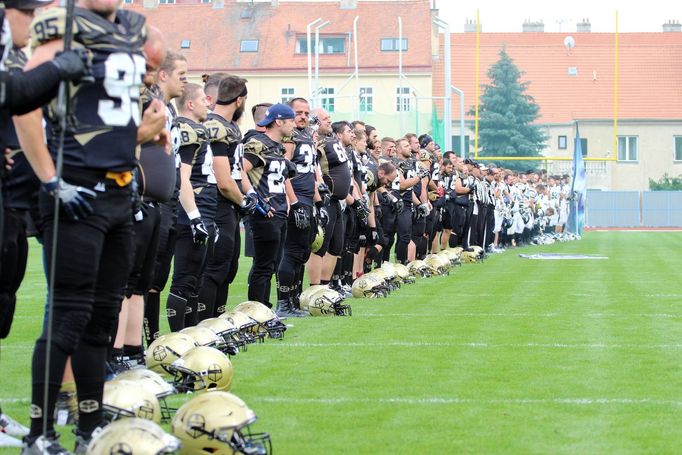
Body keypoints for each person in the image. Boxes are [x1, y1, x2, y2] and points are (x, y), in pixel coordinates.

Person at [13, 0, 148, 451]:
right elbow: (23, 104)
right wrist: (50, 179)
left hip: (118, 190)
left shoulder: (130, 26)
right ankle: (40, 432)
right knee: (68, 315)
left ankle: (90, 424)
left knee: (102, 320)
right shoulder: (64, 24)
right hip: (76, 186)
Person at [199, 74, 256, 318]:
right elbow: (223, 180)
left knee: (229, 268)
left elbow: (235, 170)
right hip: (217, 204)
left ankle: (218, 323)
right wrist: (243, 201)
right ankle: (205, 325)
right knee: (215, 268)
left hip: (230, 205)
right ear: (240, 99)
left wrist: (249, 194)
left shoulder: (230, 126)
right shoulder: (216, 126)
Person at [166, 83, 214, 330]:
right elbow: (182, 176)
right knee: (185, 278)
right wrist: (195, 216)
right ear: (191, 104)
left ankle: (193, 333)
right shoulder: (187, 128)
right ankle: (179, 336)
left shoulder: (196, 128)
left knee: (196, 277)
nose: (209, 103)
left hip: (201, 208)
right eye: (204, 100)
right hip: (190, 210)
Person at [146, 50, 187, 337]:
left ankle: (149, 338)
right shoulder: (150, 104)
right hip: (151, 200)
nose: (184, 82)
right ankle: (130, 346)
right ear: (163, 75)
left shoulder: (169, 109)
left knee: (158, 274)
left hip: (169, 198)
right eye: (180, 76)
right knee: (143, 276)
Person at [243, 103, 297, 307]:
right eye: (290, 120)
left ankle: (265, 310)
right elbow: (240, 170)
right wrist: (254, 198)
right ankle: (257, 312)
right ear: (279, 121)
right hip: (265, 212)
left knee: (272, 265)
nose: (293, 124)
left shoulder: (278, 146)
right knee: (263, 266)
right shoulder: (258, 143)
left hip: (279, 211)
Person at [276, 97, 320, 317]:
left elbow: (310, 172)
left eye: (305, 112)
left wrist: (317, 199)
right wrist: (293, 203)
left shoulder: (305, 136)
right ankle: (284, 303)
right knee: (292, 252)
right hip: (296, 200)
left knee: (303, 252)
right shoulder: (290, 137)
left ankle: (293, 300)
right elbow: (282, 172)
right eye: (298, 112)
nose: (302, 116)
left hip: (307, 199)